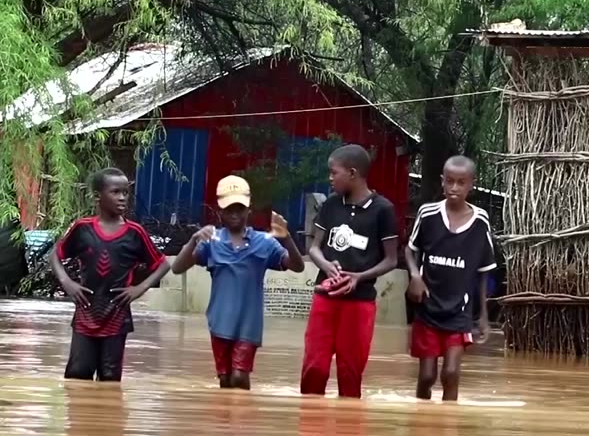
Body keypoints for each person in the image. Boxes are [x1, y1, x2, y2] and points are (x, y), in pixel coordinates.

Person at [170, 175, 305, 390]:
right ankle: (226, 422)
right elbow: (177, 268)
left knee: (240, 377)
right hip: (219, 322)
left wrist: (287, 238)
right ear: (220, 211)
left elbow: (297, 266)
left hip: (248, 325)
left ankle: (242, 421)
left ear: (248, 209)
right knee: (225, 379)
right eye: (229, 209)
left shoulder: (264, 242)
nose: (234, 214)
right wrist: (194, 239)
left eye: (239, 209)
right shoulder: (211, 242)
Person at [50, 167, 170, 382]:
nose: (122, 198)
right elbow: (55, 256)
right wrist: (66, 282)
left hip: (117, 318)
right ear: (98, 196)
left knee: (109, 380)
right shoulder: (82, 228)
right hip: (86, 315)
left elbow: (162, 265)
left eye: (125, 192)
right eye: (115, 192)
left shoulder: (135, 233)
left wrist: (139, 289)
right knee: (77, 376)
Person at [300, 144, 400, 398]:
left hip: (359, 303)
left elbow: (391, 259)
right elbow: (314, 248)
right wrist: (325, 265)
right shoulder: (332, 204)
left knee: (350, 374)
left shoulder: (383, 210)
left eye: (334, 173)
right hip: (325, 297)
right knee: (315, 369)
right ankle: (310, 433)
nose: (330, 178)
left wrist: (359, 277)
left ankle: (348, 435)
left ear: (353, 173)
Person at [405, 155, 497, 401]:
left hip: (460, 311)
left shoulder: (480, 222)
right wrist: (415, 276)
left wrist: (483, 317)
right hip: (427, 307)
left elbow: (483, 272)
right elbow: (410, 249)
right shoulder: (428, 214)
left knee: (451, 372)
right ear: (442, 182)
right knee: (426, 376)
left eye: (461, 182)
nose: (454, 188)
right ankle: (421, 423)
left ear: (471, 185)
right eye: (450, 182)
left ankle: (448, 428)